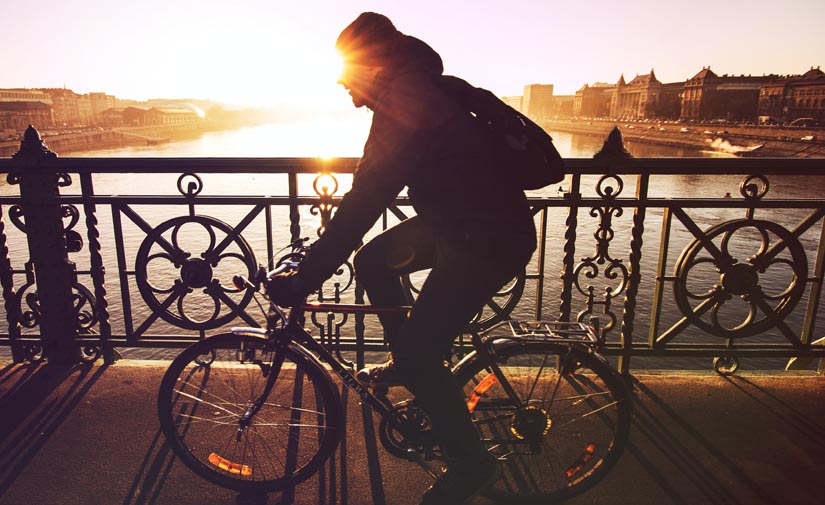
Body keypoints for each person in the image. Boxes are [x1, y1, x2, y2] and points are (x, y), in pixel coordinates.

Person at [267, 12, 540, 504]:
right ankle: (412, 361)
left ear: (371, 67)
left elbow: (365, 201)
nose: (346, 92)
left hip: (486, 239)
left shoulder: (407, 104)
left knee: (418, 356)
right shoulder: (422, 88)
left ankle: (471, 465)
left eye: (347, 78)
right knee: (373, 261)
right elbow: (367, 202)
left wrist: (303, 280)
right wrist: (316, 262)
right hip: (462, 223)